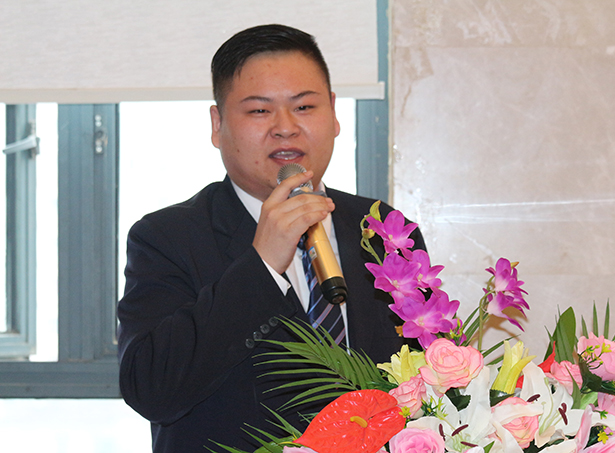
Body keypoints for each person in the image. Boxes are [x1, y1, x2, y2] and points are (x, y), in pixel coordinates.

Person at [117, 24, 426, 452]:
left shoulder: (381, 229)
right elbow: (151, 389)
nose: (285, 127)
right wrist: (261, 266)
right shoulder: (166, 238)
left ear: (334, 112)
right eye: (260, 110)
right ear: (217, 124)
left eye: (304, 106)